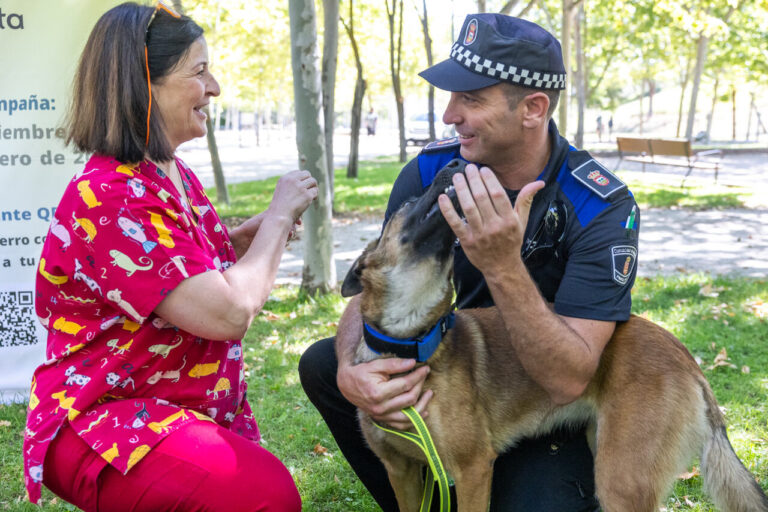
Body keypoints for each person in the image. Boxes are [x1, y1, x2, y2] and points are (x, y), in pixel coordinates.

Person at [299, 13, 640, 512]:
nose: (449, 115)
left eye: (471, 99)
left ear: (533, 108)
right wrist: (353, 370)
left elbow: (570, 379)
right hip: (455, 364)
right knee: (324, 364)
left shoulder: (599, 205)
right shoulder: (432, 171)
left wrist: (503, 266)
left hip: (546, 398)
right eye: (451, 96)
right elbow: (379, 278)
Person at [23, 3, 317, 511]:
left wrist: (237, 244)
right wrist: (276, 217)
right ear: (144, 85)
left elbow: (175, 276)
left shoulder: (166, 171)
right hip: (102, 419)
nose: (215, 87)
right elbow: (227, 312)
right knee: (265, 496)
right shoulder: (112, 195)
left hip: (165, 407)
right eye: (199, 72)